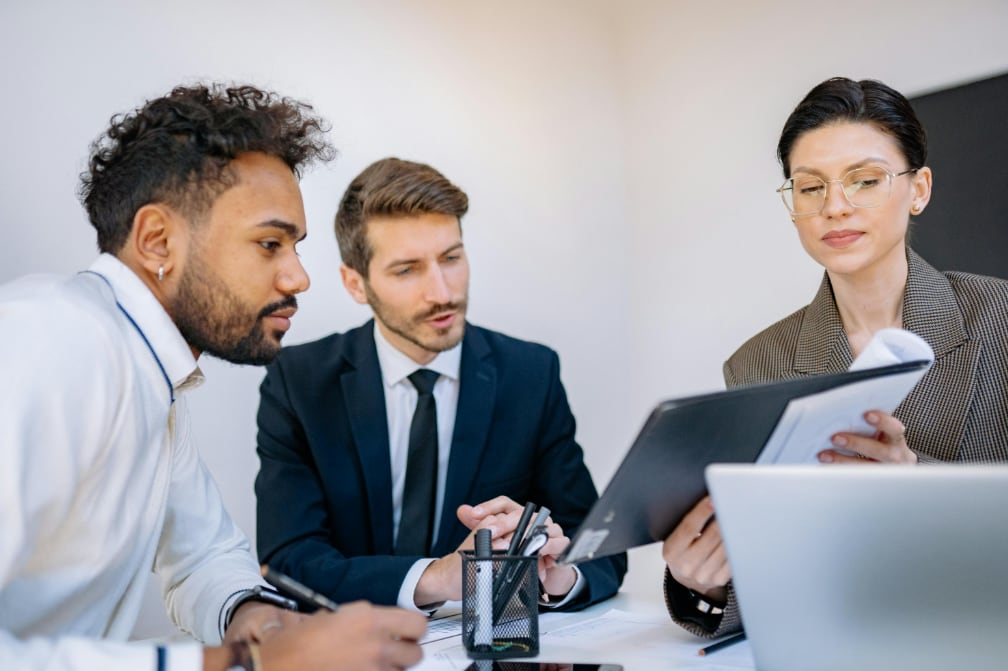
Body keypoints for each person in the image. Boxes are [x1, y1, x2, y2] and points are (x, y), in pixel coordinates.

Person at [0, 84, 427, 671]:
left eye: (295, 247)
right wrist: (244, 665)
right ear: (158, 242)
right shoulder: (54, 338)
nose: (299, 278)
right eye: (270, 244)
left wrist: (262, 625)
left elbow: (204, 555)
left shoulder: (152, 377)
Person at [662, 76, 1008, 639]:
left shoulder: (1000, 318)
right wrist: (707, 584)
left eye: (864, 181)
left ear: (918, 190)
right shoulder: (757, 364)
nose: (835, 208)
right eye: (810, 187)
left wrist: (917, 485)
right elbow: (778, 558)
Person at [255, 157, 626, 612]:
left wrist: (556, 574)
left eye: (451, 259)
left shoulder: (531, 374)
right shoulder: (299, 381)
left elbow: (599, 546)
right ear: (356, 283)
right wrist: (440, 577)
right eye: (407, 270)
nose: (443, 293)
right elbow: (289, 560)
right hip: (352, 640)